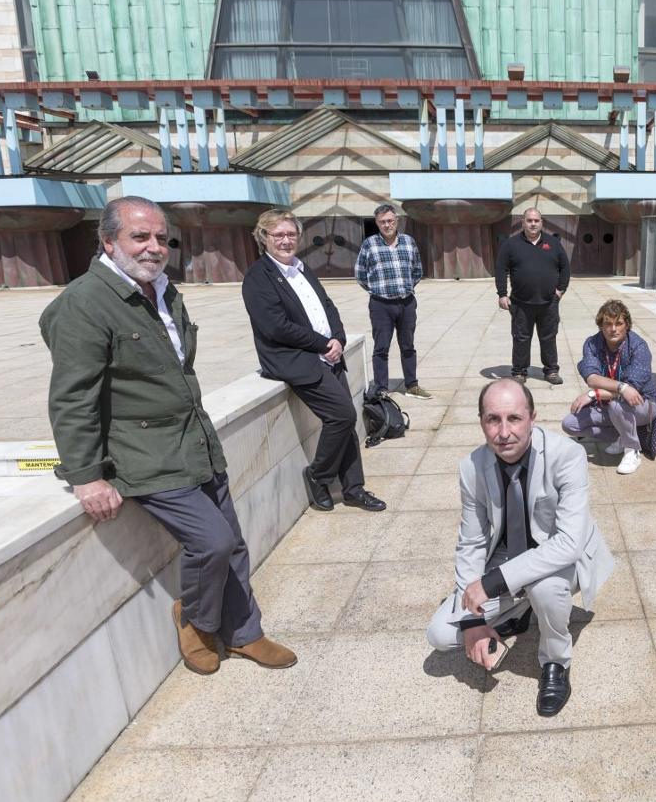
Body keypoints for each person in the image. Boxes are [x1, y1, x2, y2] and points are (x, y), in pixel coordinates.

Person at [39, 196, 296, 676]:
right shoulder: (83, 304)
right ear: (108, 241)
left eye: (161, 237)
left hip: (194, 439)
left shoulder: (162, 290)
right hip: (144, 453)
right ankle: (196, 620)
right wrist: (86, 475)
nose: (154, 247)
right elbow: (72, 398)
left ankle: (245, 633)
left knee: (234, 544)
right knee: (213, 542)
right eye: (140, 237)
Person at [426, 379, 615, 717]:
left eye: (514, 418)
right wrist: (472, 621)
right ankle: (519, 611)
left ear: (532, 418)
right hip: (506, 557)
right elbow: (471, 543)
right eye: (492, 419)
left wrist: (492, 583)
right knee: (441, 634)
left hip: (559, 558)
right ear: (481, 422)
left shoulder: (567, 456)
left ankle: (556, 662)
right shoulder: (471, 468)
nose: (503, 432)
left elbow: (568, 543)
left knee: (544, 587)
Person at [242, 209, 386, 513]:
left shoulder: (301, 268)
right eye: (278, 235)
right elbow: (276, 326)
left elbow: (327, 305)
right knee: (342, 416)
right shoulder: (258, 277)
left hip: (328, 354)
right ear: (263, 237)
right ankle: (318, 475)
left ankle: (353, 489)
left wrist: (339, 338)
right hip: (298, 359)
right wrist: (323, 343)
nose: (285, 240)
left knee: (347, 422)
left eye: (291, 234)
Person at [562, 299, 656, 475]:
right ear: (601, 326)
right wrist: (619, 388)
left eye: (619, 323)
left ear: (627, 325)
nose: (613, 329)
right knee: (570, 424)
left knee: (617, 405)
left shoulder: (638, 346)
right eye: (607, 323)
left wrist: (595, 394)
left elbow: (633, 391)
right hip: (610, 403)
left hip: (643, 404)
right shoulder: (592, 343)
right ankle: (621, 436)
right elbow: (592, 377)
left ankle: (632, 451)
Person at [355, 203, 432, 399]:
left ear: (397, 221)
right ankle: (381, 387)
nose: (387, 225)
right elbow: (360, 274)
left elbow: (417, 270)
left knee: (408, 346)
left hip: (406, 303)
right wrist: (377, 290)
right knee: (381, 347)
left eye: (390, 221)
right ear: (377, 223)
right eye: (382, 222)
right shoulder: (369, 244)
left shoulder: (408, 242)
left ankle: (412, 385)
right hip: (381, 305)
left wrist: (407, 288)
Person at [495, 208, 570, 385]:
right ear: (523, 222)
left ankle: (551, 371)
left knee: (549, 338)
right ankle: (519, 371)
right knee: (521, 338)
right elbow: (500, 269)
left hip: (549, 302)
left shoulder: (553, 243)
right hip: (521, 303)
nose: (533, 224)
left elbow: (565, 268)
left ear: (541, 222)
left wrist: (560, 290)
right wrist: (502, 294)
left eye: (536, 220)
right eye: (529, 220)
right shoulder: (511, 244)